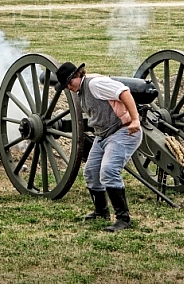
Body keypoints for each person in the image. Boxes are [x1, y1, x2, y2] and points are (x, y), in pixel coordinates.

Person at [55, 61, 142, 232]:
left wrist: (135, 119)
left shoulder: (95, 84)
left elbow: (123, 92)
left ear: (77, 75)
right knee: (91, 172)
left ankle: (123, 219)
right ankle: (101, 211)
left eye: (69, 83)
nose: (68, 88)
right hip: (102, 135)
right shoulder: (81, 90)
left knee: (109, 170)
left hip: (123, 131)